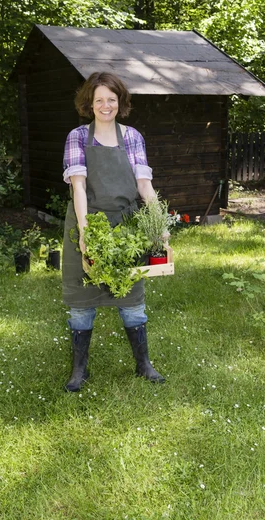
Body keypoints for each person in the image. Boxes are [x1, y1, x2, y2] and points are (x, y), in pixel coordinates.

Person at [62, 72, 165, 392]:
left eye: (111, 99)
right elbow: (78, 187)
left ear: (120, 103)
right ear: (88, 104)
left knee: (132, 299)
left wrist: (158, 223)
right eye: (99, 100)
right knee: (82, 301)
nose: (105, 105)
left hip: (125, 226)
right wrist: (85, 231)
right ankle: (79, 370)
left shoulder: (132, 137)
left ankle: (143, 365)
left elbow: (144, 186)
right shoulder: (78, 136)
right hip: (88, 221)